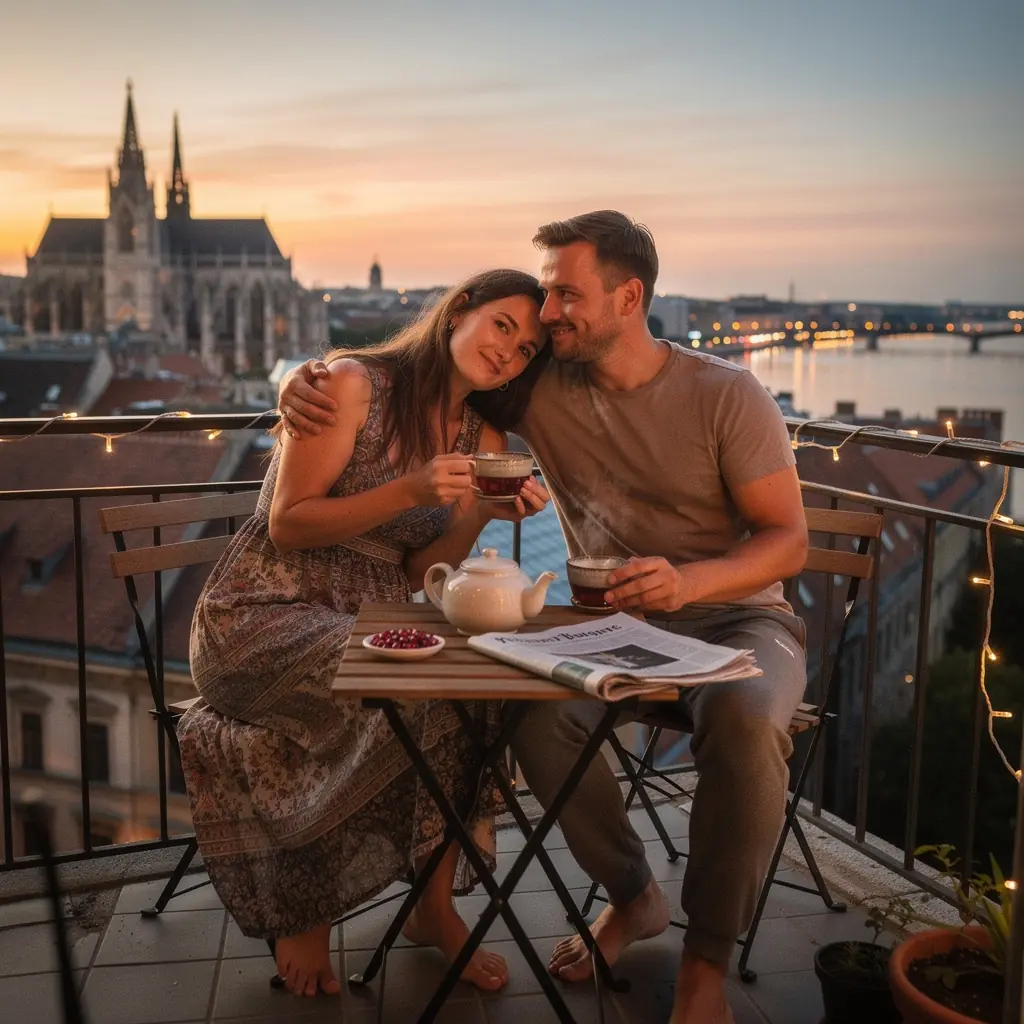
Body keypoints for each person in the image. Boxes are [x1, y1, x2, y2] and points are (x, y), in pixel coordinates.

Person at [279, 212, 809, 1024]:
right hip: (612, 622)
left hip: (739, 619)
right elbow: (429, 368)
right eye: (545, 296)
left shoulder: (727, 394)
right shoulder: (539, 384)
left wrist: (689, 580)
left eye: (567, 294)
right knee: (534, 719)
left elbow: (788, 542)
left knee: (744, 722)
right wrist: (300, 379)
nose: (548, 314)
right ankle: (632, 896)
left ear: (629, 297)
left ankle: (706, 964)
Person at [179, 268, 552, 1000]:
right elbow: (289, 522)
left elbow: (419, 568)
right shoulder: (353, 385)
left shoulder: (487, 435)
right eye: (503, 325)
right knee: (391, 686)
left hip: (372, 612)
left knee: (468, 700)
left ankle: (431, 908)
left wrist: (483, 512)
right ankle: (306, 909)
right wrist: (410, 491)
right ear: (459, 312)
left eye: (529, 348)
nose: (510, 352)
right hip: (262, 609)